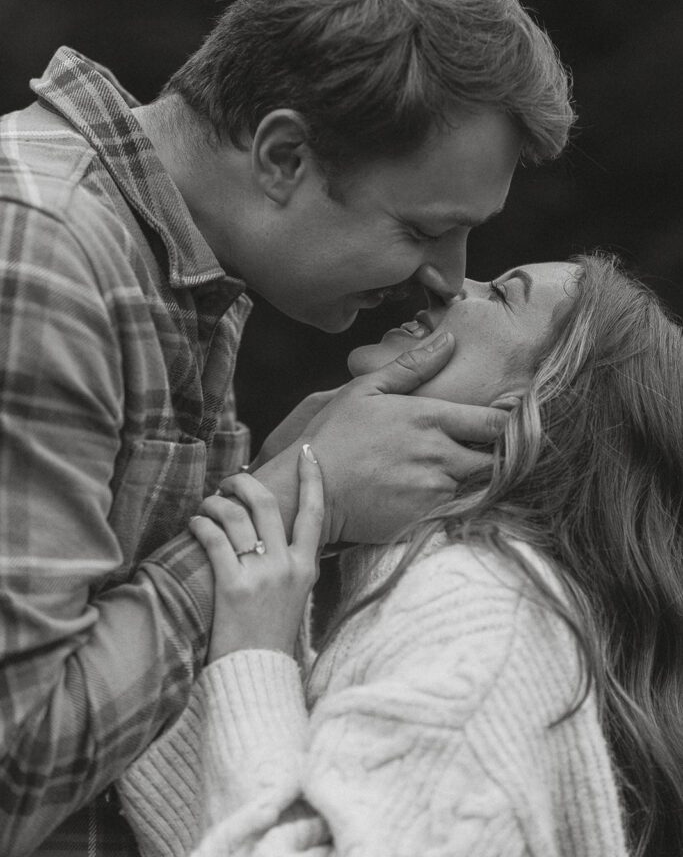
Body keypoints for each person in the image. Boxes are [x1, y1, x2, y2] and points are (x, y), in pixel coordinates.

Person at [0, 0, 573, 855]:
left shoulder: (178, 277)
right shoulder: (42, 254)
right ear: (281, 156)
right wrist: (279, 498)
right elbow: (17, 769)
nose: (445, 276)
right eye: (424, 228)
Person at [118, 253, 683, 857]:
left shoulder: (482, 614)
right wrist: (278, 491)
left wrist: (252, 657)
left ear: (527, 405)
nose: (447, 283)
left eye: (499, 294)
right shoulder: (435, 581)